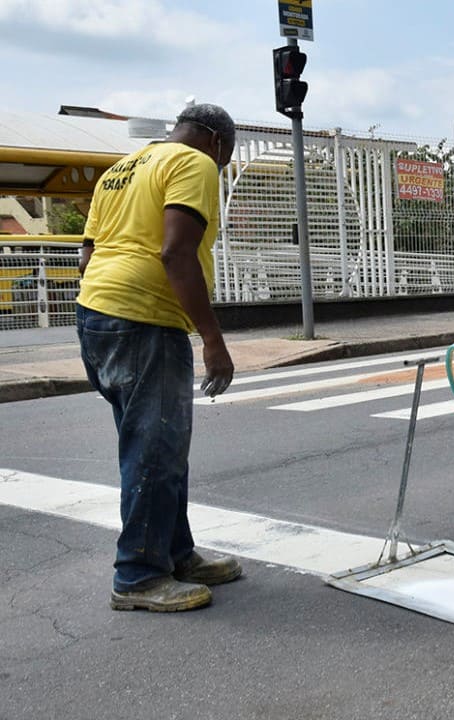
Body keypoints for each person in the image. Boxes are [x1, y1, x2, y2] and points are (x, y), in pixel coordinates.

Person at [76, 103, 242, 612]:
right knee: (155, 448)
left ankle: (175, 552)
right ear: (216, 141)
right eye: (227, 158)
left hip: (98, 315)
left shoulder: (122, 170)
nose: (222, 168)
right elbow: (176, 251)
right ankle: (139, 575)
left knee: (157, 442)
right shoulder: (193, 164)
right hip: (144, 320)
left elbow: (86, 255)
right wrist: (213, 340)